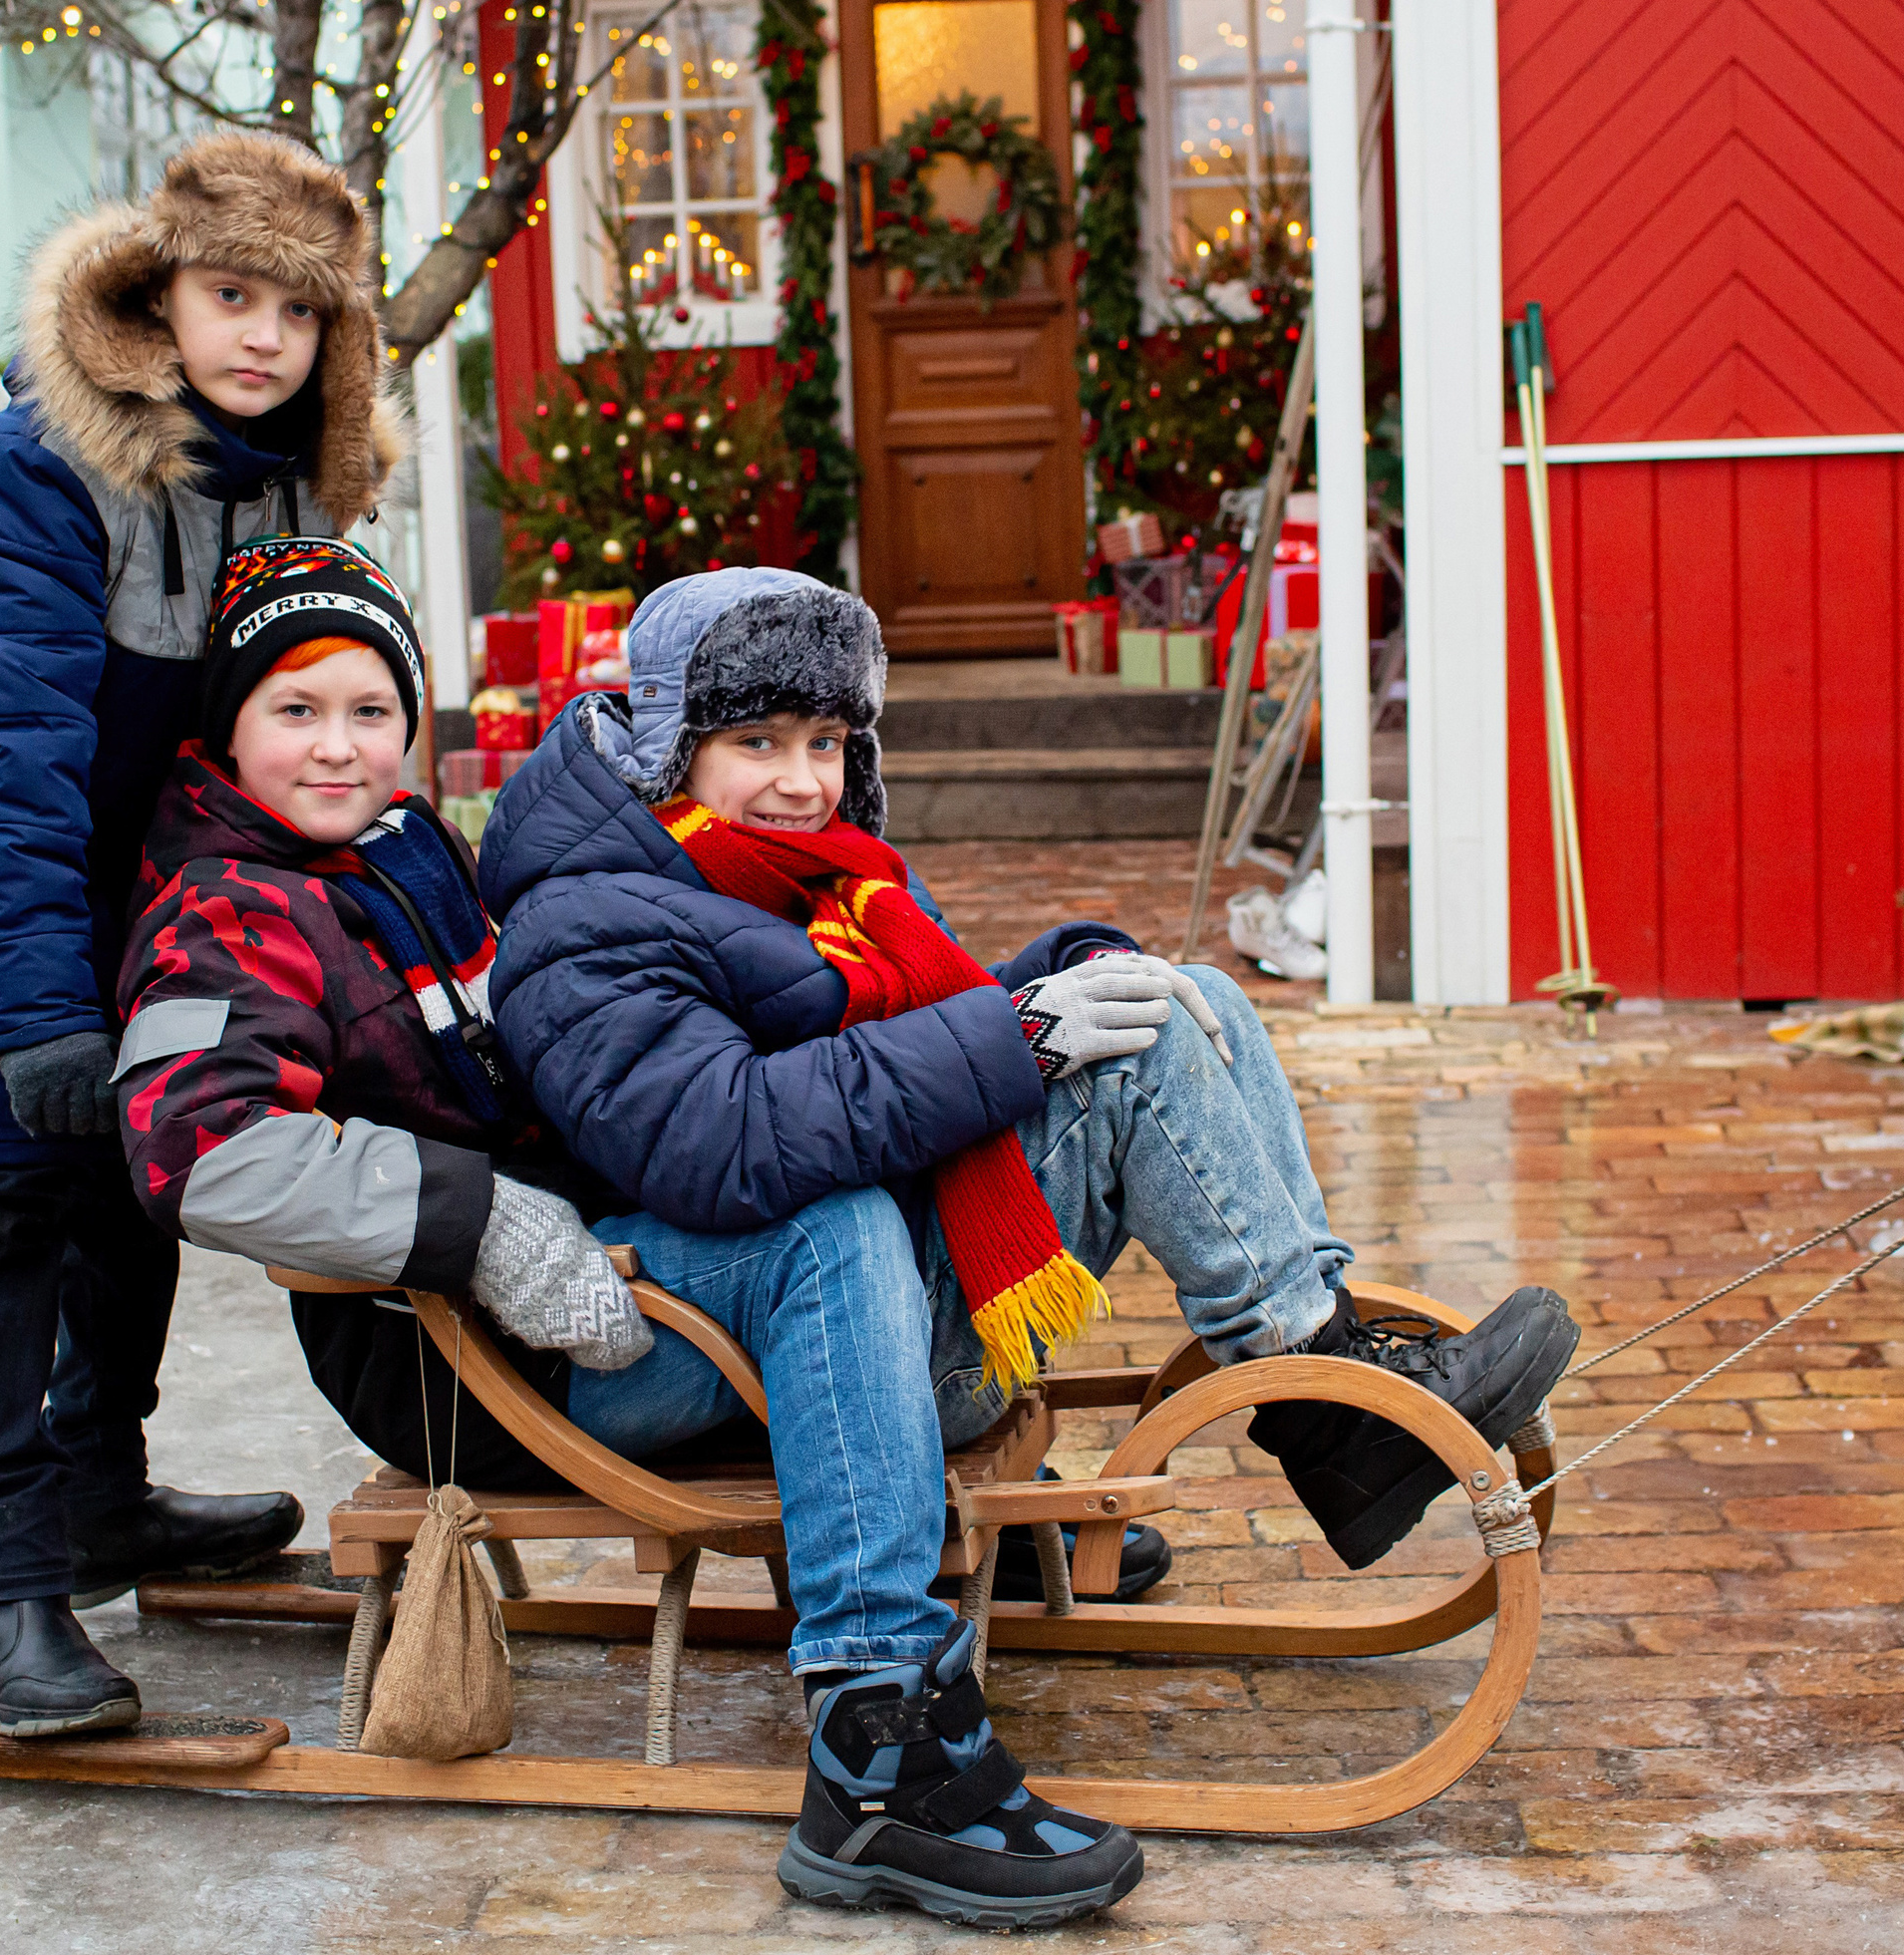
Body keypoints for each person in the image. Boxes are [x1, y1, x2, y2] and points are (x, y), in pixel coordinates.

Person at [474, 566, 1578, 1924]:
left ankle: (1320, 1370)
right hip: (697, 1340)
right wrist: (1020, 1036)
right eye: (756, 741)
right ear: (664, 743)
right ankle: (876, 1752)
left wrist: (1065, 973)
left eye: (827, 742)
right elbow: (726, 1142)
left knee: (1187, 997)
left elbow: (908, 1030)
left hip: (839, 1326)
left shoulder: (814, 877)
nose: (803, 779)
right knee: (845, 1204)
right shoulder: (583, 919)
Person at [115, 542, 1147, 1929]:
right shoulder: (227, 905)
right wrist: (478, 1223)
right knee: (820, 1223)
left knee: (825, 1151)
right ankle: (879, 1743)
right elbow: (201, 1148)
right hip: (454, 1353)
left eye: (370, 708)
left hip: (596, 1266)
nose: (339, 745)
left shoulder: (406, 848)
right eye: (295, 711)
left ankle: (917, 1523)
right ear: (228, 726)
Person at [0, 129, 409, 1738]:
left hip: (127, 828)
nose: (259, 339)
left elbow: (306, 724)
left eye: (294, 316)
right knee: (11, 1176)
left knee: (138, 1140)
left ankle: (100, 1492)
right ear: (157, 296)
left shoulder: (296, 487)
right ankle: (0, 1593)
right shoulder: (40, 471)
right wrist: (32, 1013)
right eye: (230, 296)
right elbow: (4, 760)